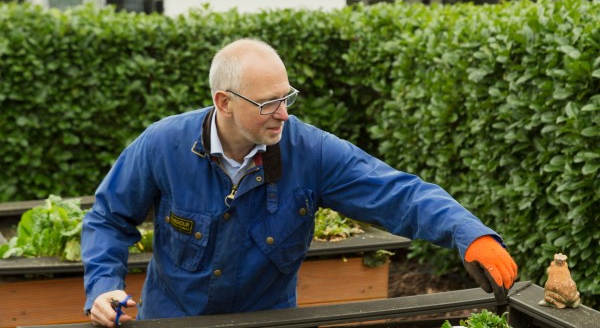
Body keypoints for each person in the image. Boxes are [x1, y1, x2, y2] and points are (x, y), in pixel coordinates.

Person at [81, 38, 518, 327]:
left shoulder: (311, 152)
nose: (285, 114)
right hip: (173, 321)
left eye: (287, 97)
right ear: (224, 103)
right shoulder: (162, 145)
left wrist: (469, 234)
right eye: (269, 102)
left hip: (271, 322)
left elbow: (398, 193)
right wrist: (104, 286)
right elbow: (108, 217)